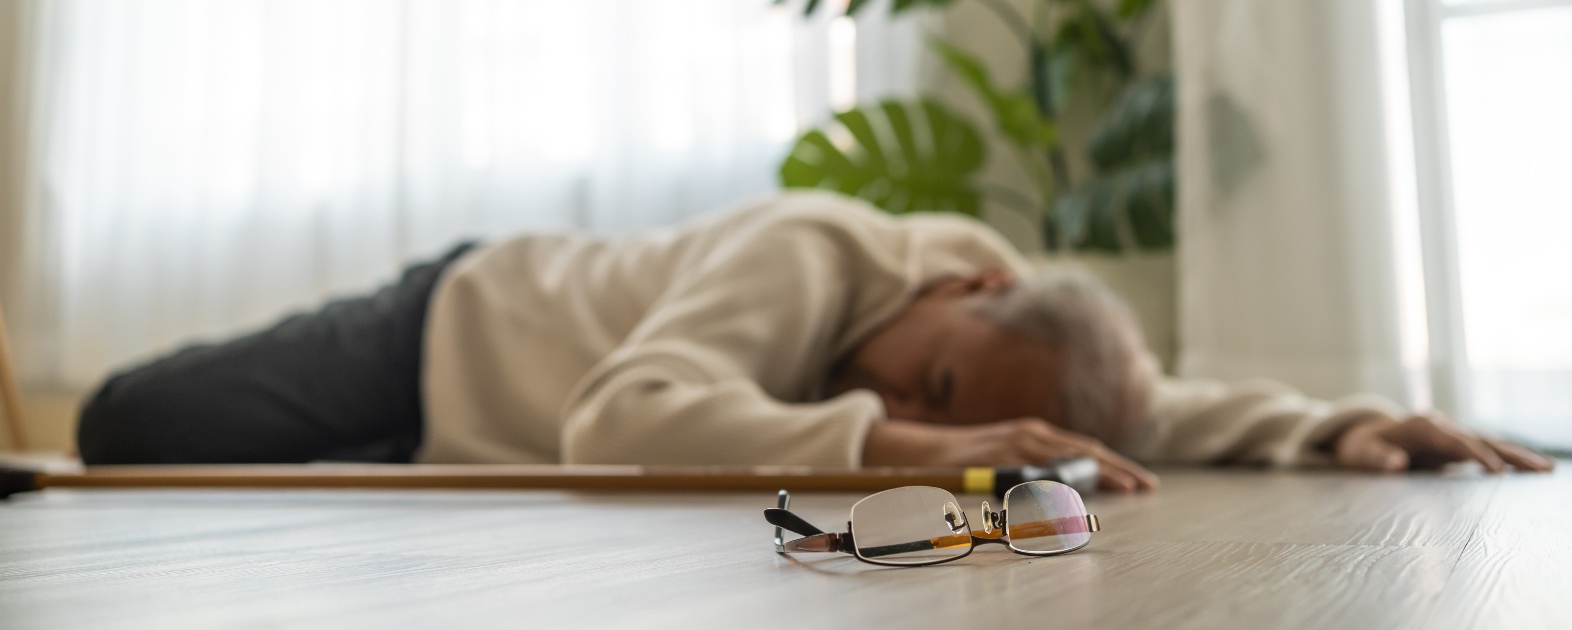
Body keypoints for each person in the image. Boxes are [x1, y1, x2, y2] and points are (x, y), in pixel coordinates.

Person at [75, 192, 1555, 490]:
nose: (888, 394)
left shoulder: (999, 336)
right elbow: (621, 419)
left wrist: (1336, 425)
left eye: (923, 405)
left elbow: (1142, 411)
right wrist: (924, 440)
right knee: (125, 432)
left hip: (468, 441)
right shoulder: (820, 249)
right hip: (445, 335)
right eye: (938, 381)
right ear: (968, 279)